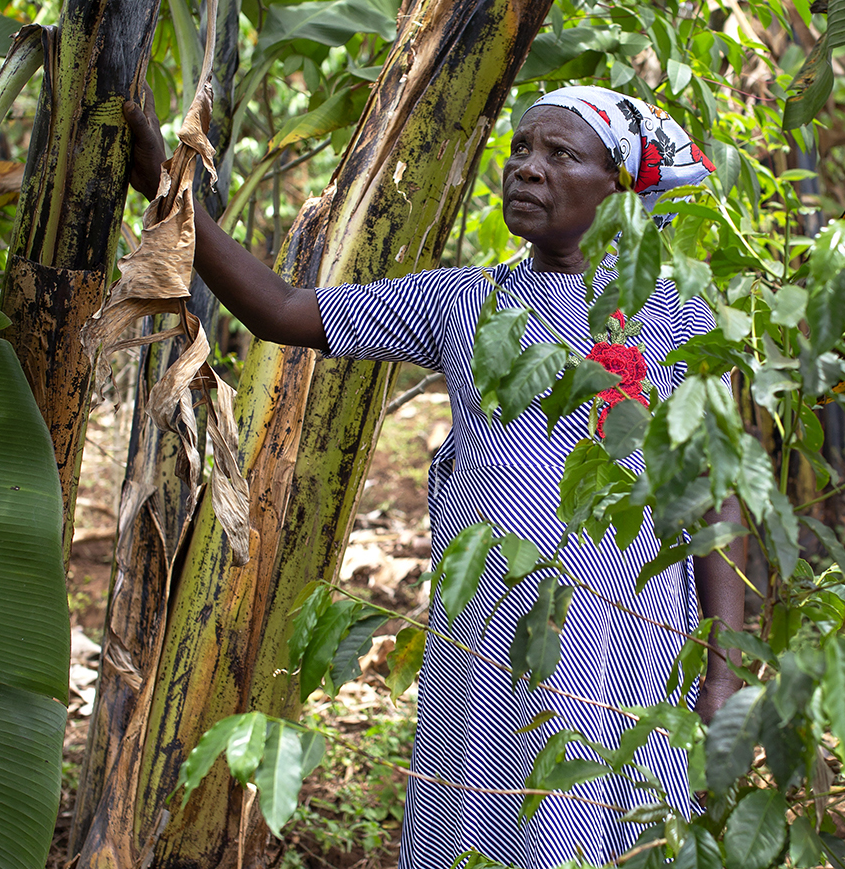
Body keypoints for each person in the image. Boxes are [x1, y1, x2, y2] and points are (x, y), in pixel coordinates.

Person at [156, 84, 747, 867]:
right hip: (493, 641)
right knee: (488, 824)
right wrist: (160, 190)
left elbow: (716, 498)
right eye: (521, 150)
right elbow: (280, 310)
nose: (527, 170)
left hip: (631, 641)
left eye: (560, 154)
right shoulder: (463, 300)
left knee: (621, 825)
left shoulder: (674, 318)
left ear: (619, 186)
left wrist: (724, 674)